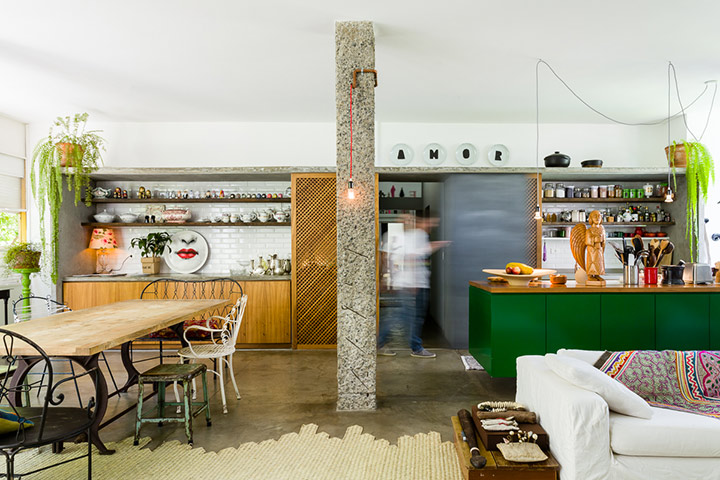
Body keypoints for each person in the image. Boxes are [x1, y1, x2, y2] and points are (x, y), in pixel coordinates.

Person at [378, 215, 449, 358]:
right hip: (410, 284)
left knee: (409, 315)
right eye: (404, 220)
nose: (407, 222)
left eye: (410, 219)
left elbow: (418, 253)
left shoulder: (418, 235)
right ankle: (412, 347)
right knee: (407, 315)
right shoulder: (400, 237)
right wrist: (386, 279)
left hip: (416, 283)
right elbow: (394, 258)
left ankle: (386, 343)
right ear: (400, 222)